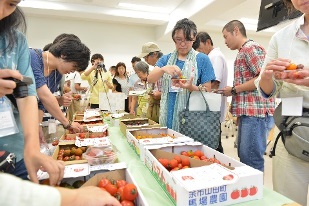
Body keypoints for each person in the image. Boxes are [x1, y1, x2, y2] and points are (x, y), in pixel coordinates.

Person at [0, 1, 65, 184]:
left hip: (15, 151)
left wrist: (32, 146)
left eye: (11, 4)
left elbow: (27, 94)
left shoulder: (16, 41)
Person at [255, 0, 309, 204]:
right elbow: (267, 89)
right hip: (290, 130)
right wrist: (267, 77)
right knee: (288, 198)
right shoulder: (282, 37)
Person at [219, 20, 275, 172]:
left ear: (236, 31)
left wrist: (234, 90)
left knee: (251, 160)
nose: (225, 41)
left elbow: (263, 78)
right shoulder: (243, 51)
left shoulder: (251, 48)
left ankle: (255, 194)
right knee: (245, 157)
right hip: (248, 114)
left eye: (226, 36)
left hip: (255, 114)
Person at [147, 18, 215, 131]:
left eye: (187, 40)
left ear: (194, 39)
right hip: (168, 115)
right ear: (174, 39)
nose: (182, 44)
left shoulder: (202, 59)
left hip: (193, 118)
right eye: (179, 39)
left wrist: (190, 87)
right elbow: (150, 78)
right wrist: (164, 69)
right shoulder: (167, 59)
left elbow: (207, 90)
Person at [29, 37, 88, 135]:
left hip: (27, 121)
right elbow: (45, 95)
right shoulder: (32, 56)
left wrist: (38, 128)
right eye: (74, 66)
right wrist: (67, 123)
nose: (73, 71)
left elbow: (42, 103)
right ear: (63, 55)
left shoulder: (57, 74)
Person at [193, 31, 228, 153]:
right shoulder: (211, 56)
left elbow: (214, 83)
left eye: (201, 50)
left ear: (208, 42)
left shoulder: (215, 56)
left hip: (211, 109)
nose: (200, 54)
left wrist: (195, 91)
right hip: (210, 109)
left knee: (214, 147)